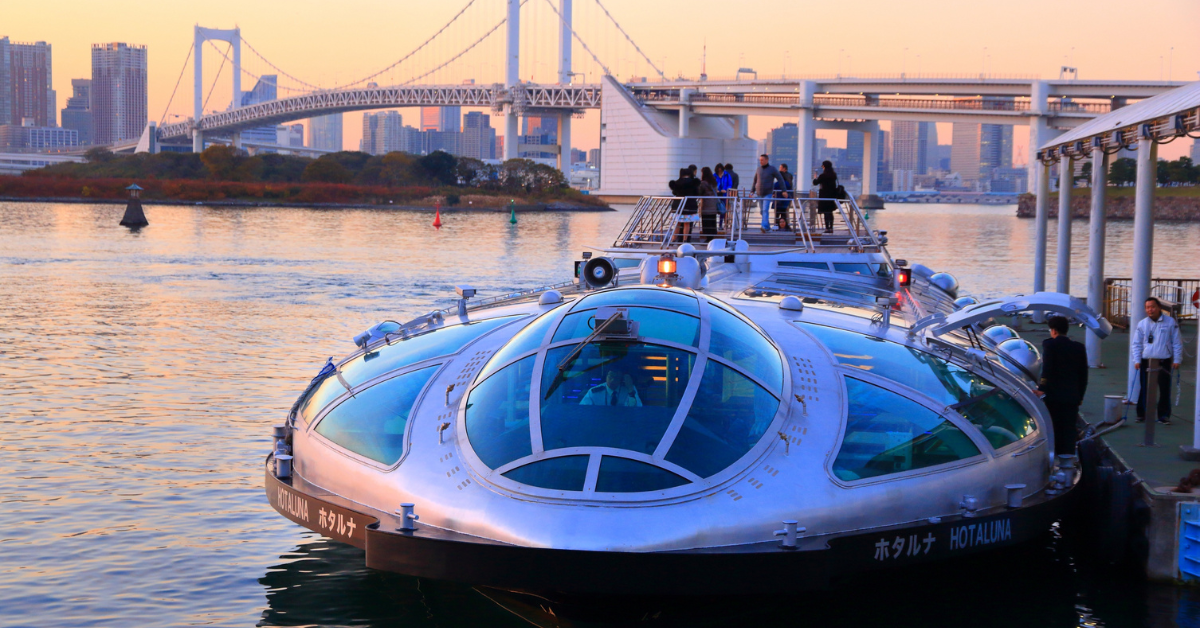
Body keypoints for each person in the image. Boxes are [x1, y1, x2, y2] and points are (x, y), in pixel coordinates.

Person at [1035, 316, 1089, 454]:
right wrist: (1080, 396)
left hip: (1054, 396)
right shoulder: (1079, 347)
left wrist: (1042, 388)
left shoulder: (1049, 345)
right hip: (1072, 396)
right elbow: (1083, 375)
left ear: (1053, 331)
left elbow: (1047, 370)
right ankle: (1069, 457)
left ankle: (1055, 455)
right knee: (1069, 428)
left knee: (1054, 426)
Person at [1131, 297, 1184, 424]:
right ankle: (1141, 414)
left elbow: (1177, 342)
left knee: (1164, 389)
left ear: (1159, 307)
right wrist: (1136, 360)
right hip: (1146, 360)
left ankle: (1163, 415)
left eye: (1153, 307)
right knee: (1144, 388)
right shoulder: (1142, 324)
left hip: (1164, 360)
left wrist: (1177, 359)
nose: (1150, 310)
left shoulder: (1171, 322)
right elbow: (1136, 344)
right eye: (1147, 307)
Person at [751, 154, 788, 232]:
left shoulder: (772, 169)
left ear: (767, 160)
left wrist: (784, 190)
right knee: (762, 211)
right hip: (759, 193)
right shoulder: (758, 169)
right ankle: (767, 227)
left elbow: (780, 179)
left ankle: (764, 226)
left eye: (762, 160)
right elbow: (755, 181)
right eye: (760, 160)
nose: (760, 161)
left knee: (765, 210)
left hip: (768, 193)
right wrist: (752, 191)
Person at [668, 167, 700, 242]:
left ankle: (673, 239)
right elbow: (696, 193)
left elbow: (674, 193)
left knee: (677, 223)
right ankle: (685, 239)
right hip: (689, 205)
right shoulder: (693, 182)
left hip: (677, 205)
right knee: (687, 223)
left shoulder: (676, 182)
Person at [812, 160, 839, 233]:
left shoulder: (823, 176)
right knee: (830, 212)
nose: (822, 167)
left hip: (824, 196)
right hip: (832, 196)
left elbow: (815, 183)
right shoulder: (834, 175)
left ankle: (827, 228)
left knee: (826, 212)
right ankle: (831, 227)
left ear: (824, 166)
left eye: (822, 166)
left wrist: (815, 177)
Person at [698, 167, 719, 240]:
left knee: (706, 222)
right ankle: (712, 237)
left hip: (706, 205)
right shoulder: (714, 182)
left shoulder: (703, 183)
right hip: (713, 205)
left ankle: (708, 238)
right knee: (712, 221)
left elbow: (699, 192)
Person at [774, 163, 794, 230]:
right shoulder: (788, 180)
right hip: (785, 201)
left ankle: (777, 226)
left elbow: (773, 190)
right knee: (784, 215)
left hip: (778, 202)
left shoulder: (776, 184)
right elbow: (790, 188)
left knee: (777, 215)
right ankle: (785, 227)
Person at [714, 163, 731, 230]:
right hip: (716, 195)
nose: (720, 172)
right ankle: (715, 224)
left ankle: (721, 224)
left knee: (723, 209)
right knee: (715, 209)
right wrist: (716, 190)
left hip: (724, 194)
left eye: (721, 170)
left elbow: (730, 184)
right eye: (718, 171)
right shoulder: (714, 176)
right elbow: (713, 184)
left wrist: (726, 190)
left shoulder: (727, 175)